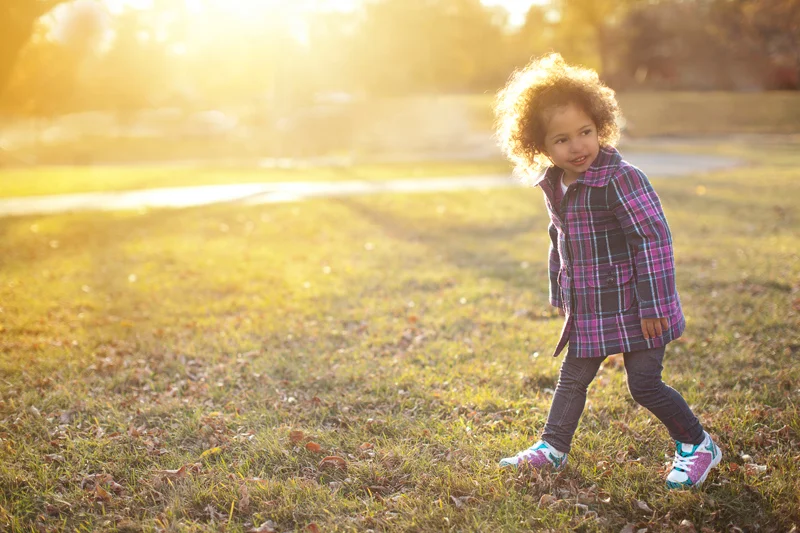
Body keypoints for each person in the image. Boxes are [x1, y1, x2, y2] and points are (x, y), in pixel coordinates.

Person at [493, 54, 721, 489]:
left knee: (645, 384)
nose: (578, 146)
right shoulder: (556, 183)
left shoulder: (621, 179)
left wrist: (654, 304)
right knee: (572, 377)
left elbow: (652, 240)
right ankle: (552, 447)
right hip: (593, 306)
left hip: (639, 304)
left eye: (585, 132)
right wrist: (561, 291)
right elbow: (560, 236)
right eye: (562, 139)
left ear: (600, 124)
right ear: (540, 146)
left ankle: (697, 444)